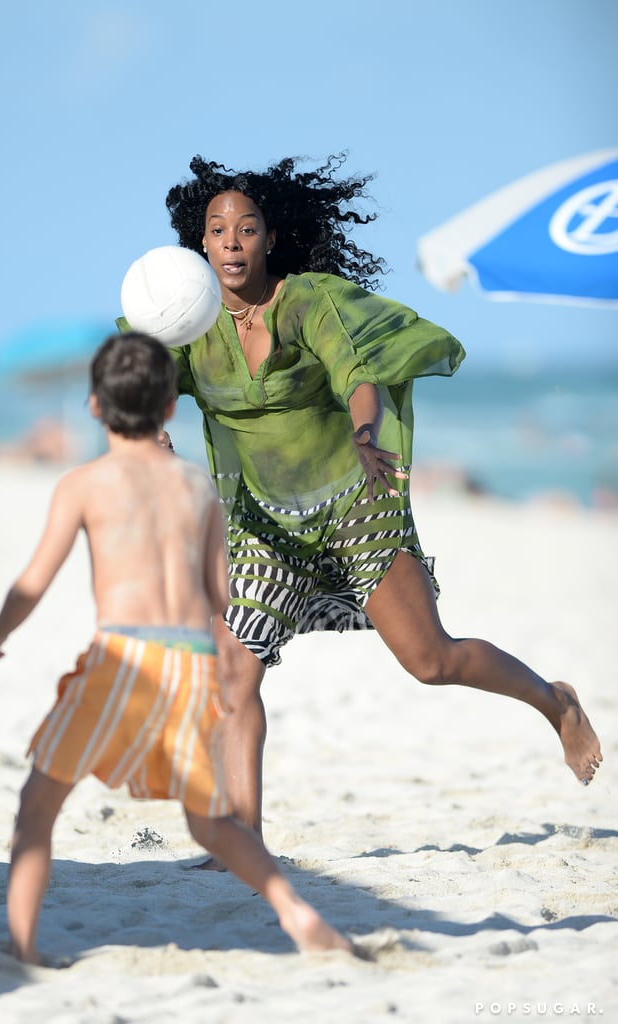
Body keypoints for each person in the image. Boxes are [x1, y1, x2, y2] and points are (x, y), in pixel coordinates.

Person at [134, 153, 603, 869]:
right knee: (235, 673)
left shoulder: (308, 302)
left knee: (430, 660)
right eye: (218, 230)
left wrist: (363, 429)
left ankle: (554, 702)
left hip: (357, 502)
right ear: (199, 244)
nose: (232, 242)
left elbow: (361, 375)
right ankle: (243, 838)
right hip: (267, 526)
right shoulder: (188, 325)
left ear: (269, 239)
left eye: (248, 229)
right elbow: (145, 381)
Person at [0, 331, 353, 964]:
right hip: (191, 662)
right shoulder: (197, 487)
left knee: (37, 808)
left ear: (95, 405)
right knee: (211, 823)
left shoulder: (82, 484)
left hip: (123, 658)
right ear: (171, 410)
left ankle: (22, 950)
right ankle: (296, 911)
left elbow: (33, 582)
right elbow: (221, 595)